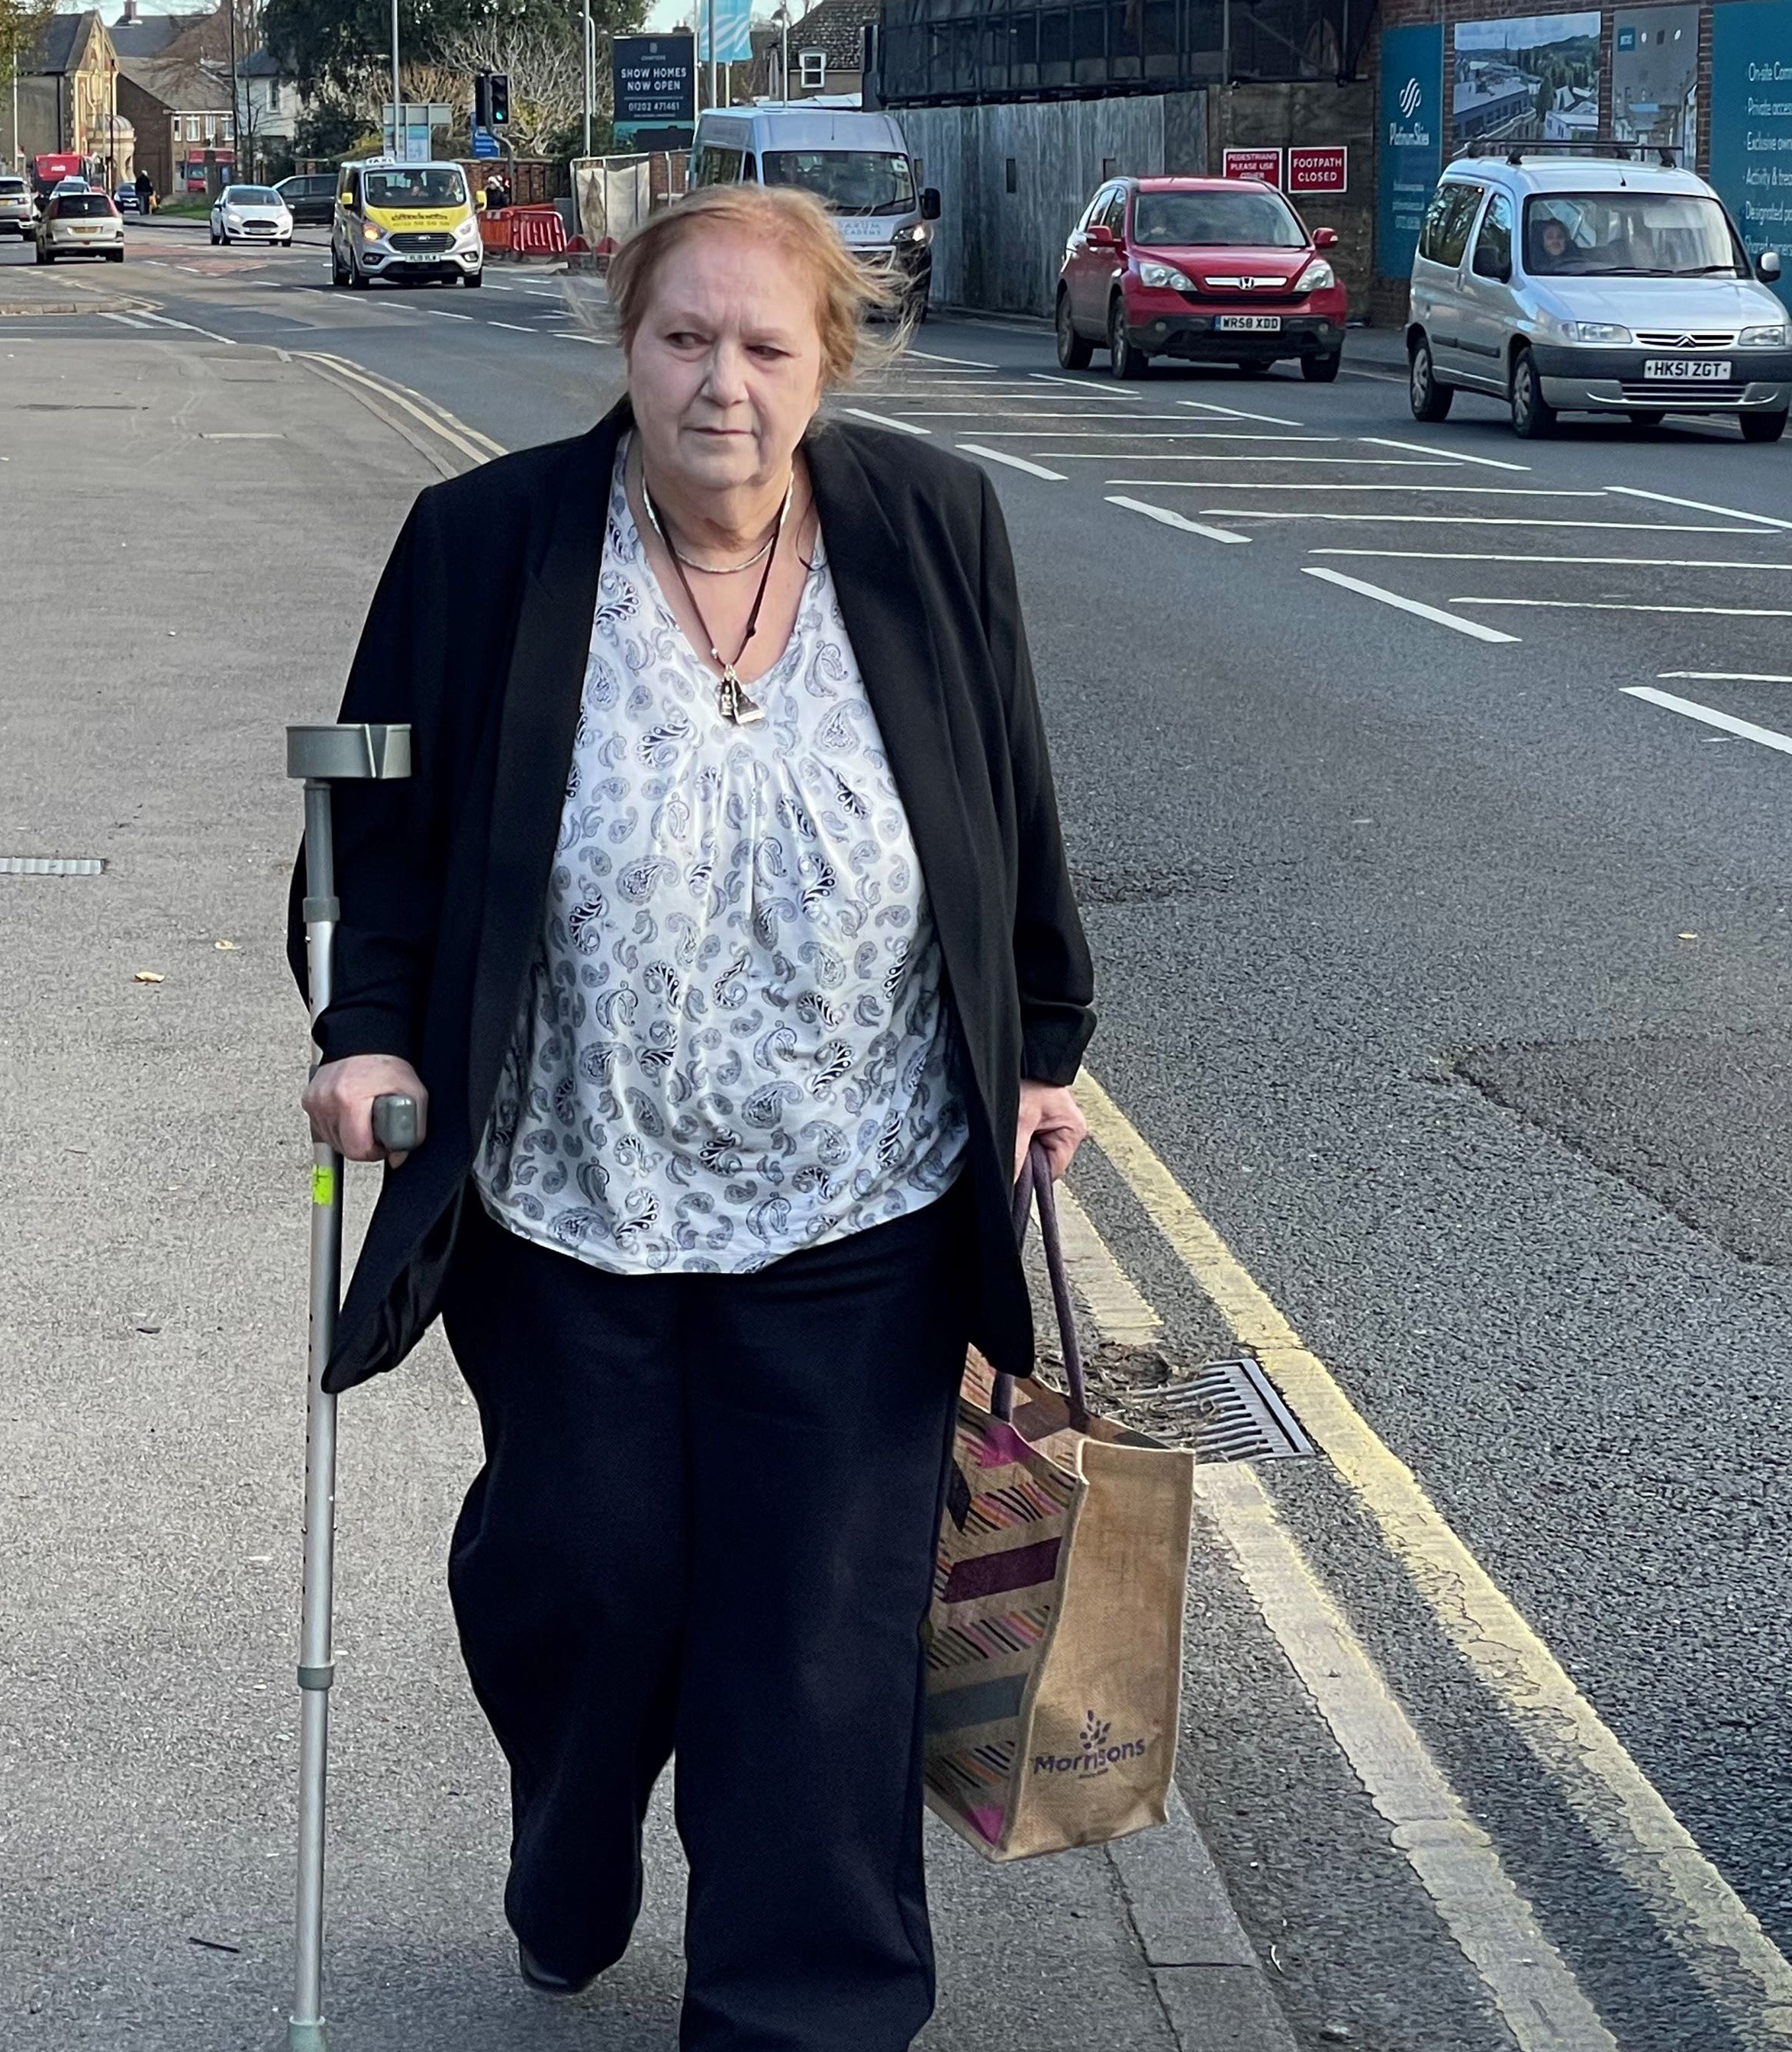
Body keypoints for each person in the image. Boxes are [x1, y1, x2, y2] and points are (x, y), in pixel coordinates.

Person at [292, 180, 1093, 2050]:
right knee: (586, 1578)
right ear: (624, 344)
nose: (719, 382)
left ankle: (799, 2010)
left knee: (816, 1646)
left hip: (861, 1202)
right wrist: (368, 1034)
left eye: (763, 346)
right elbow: (373, 850)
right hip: (571, 1198)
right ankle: (571, 1852)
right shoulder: (485, 546)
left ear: (828, 362)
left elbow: (1011, 812)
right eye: (682, 338)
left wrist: (1045, 1038)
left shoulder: (929, 531)